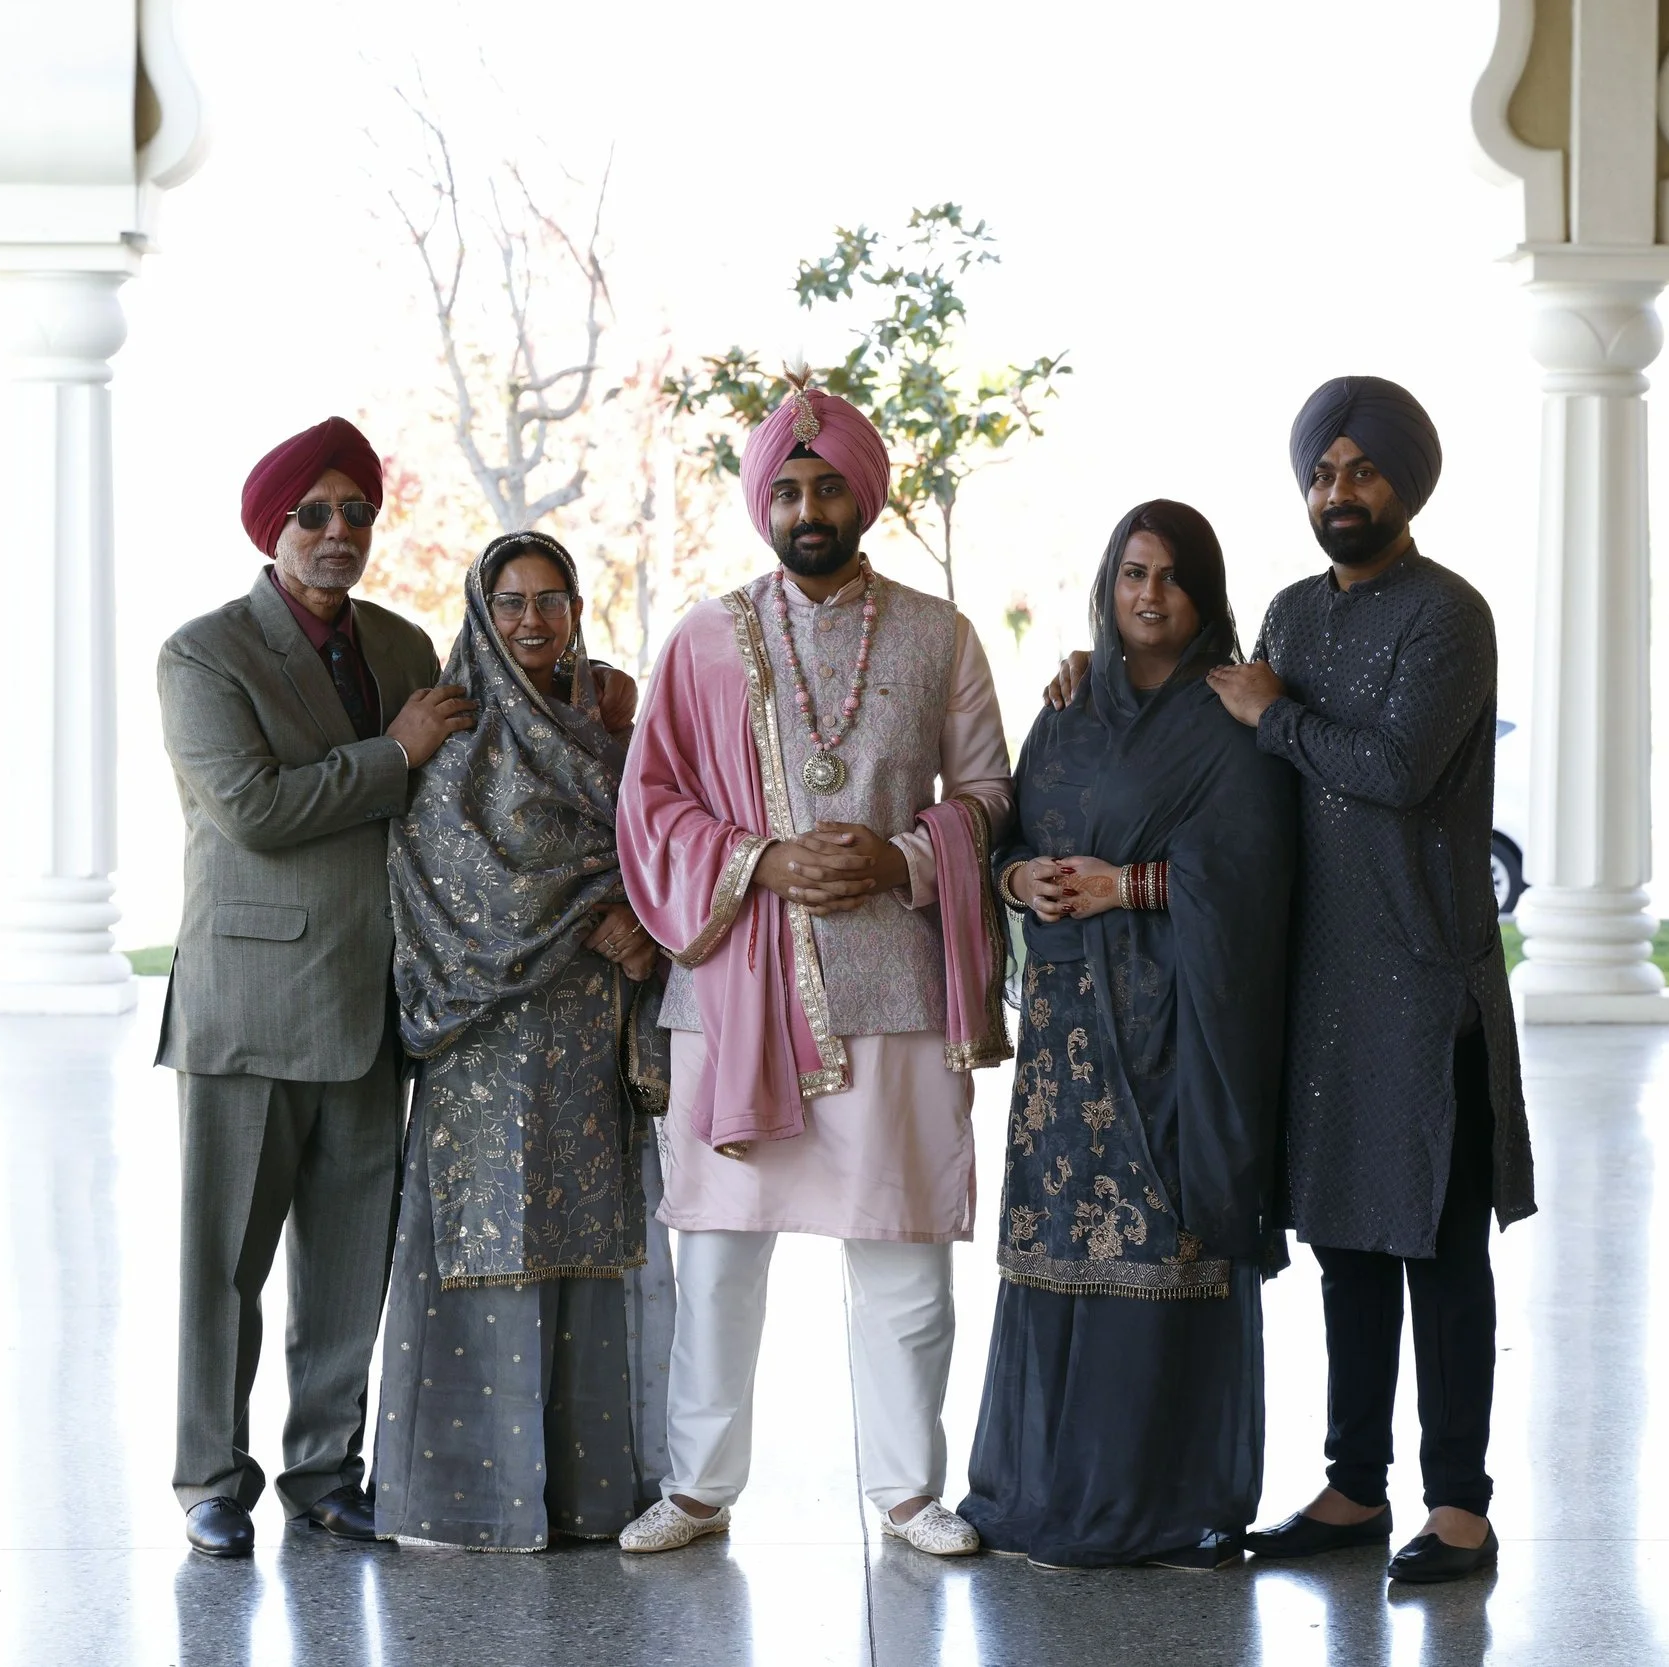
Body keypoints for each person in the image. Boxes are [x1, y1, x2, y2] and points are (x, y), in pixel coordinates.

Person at [1043, 377, 1534, 1585]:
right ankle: (1353, 1483)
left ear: (1406, 482)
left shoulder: (1448, 614)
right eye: (1321, 473)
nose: (1337, 492)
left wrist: (1274, 714)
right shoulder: (1291, 613)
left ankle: (1459, 1505)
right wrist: (1101, 669)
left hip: (1424, 978)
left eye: (1360, 470)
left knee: (1438, 1248)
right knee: (1347, 1243)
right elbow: (1209, 703)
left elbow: (1398, 769)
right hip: (1318, 983)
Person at [613, 385, 1013, 1558]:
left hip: (893, 984)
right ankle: (697, 1486)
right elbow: (650, 801)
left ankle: (907, 1489)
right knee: (719, 1253)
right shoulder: (703, 637)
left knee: (902, 1247)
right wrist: (761, 858)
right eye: (785, 490)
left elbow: (988, 794)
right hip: (737, 991)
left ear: (864, 494)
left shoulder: (940, 634)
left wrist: (901, 857)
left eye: (827, 485)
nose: (806, 509)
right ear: (762, 504)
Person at [958, 500, 1298, 1572]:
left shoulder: (1228, 716)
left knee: (1163, 1247)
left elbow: (1253, 875)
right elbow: (1010, 836)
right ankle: (1043, 1487)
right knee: (1061, 1246)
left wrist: (1128, 885)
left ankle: (1159, 1498)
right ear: (1108, 585)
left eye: (1172, 576)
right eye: (1133, 573)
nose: (1150, 595)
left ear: (1205, 594)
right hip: (1066, 1035)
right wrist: (1019, 877)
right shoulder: (1067, 710)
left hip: (1176, 1032)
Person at [154, 416, 472, 1558]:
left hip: (375, 1003)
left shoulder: (402, 644)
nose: (340, 531)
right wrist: (394, 753)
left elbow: (462, 786)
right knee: (224, 1264)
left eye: (357, 512)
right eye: (315, 513)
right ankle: (210, 1477)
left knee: (347, 1263)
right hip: (250, 1003)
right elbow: (255, 808)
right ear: (271, 528)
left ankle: (326, 1472)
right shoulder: (204, 655)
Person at [370, 529, 675, 1552]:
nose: (532, 620)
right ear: (480, 610)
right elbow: (446, 875)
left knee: (590, 1243)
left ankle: (592, 1492)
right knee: (494, 1239)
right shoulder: (454, 727)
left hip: (591, 1037)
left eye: (551, 599)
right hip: (489, 1045)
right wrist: (591, 911)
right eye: (510, 600)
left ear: (577, 610)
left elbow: (657, 842)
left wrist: (641, 919)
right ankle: (474, 1496)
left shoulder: (607, 722)